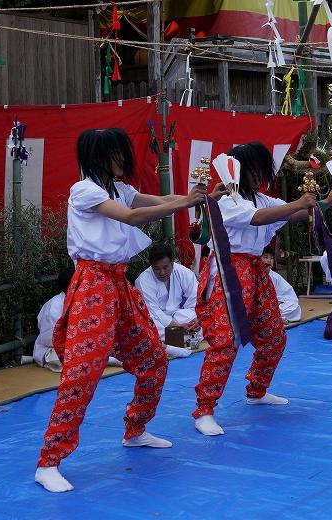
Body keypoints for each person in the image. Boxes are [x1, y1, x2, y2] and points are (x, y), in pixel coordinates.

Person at [35, 128, 226, 493]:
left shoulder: (119, 189)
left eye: (124, 154)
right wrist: (186, 204)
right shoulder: (85, 191)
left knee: (154, 359)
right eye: (116, 155)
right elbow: (132, 217)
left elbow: (158, 199)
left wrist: (197, 197)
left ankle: (135, 429)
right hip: (92, 285)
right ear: (98, 157)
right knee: (82, 375)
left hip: (119, 284)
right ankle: (48, 462)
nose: (124, 161)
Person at [193, 141, 332, 436]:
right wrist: (301, 203)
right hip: (228, 271)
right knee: (226, 341)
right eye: (257, 167)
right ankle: (204, 409)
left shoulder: (260, 198)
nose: (261, 173)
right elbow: (258, 218)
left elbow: (290, 213)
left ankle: (256, 390)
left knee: (274, 335)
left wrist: (325, 202)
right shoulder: (227, 199)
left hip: (256, 271)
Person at [23, 267, 122, 371]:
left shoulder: (86, 300)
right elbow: (51, 340)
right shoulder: (54, 306)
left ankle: (105, 358)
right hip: (56, 350)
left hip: (87, 345)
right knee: (75, 357)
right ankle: (109, 360)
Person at [134, 243, 201, 358]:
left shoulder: (183, 272)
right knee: (147, 325)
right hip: (159, 322)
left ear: (172, 262)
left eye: (165, 267)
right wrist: (177, 326)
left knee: (199, 318)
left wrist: (197, 319)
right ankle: (182, 339)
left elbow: (195, 299)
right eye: (157, 268)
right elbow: (154, 311)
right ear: (151, 266)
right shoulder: (143, 281)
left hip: (179, 317)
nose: (162, 273)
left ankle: (171, 341)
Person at [260, 247, 302, 324]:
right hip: (261, 306)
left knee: (295, 307)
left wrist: (278, 301)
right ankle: (275, 318)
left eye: (271, 258)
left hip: (276, 305)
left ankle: (274, 317)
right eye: (265, 257)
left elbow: (289, 296)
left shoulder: (275, 277)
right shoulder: (253, 275)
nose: (269, 260)